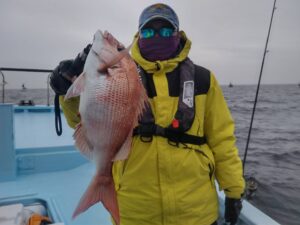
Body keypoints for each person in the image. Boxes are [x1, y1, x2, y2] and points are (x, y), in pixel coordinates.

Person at [50, 3, 245, 225]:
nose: (157, 36)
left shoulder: (203, 80)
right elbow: (80, 119)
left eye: (165, 30)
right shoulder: (124, 73)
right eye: (149, 31)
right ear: (139, 35)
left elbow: (222, 141)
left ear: (177, 34)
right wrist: (65, 88)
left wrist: (234, 190)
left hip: (195, 212)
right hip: (135, 212)